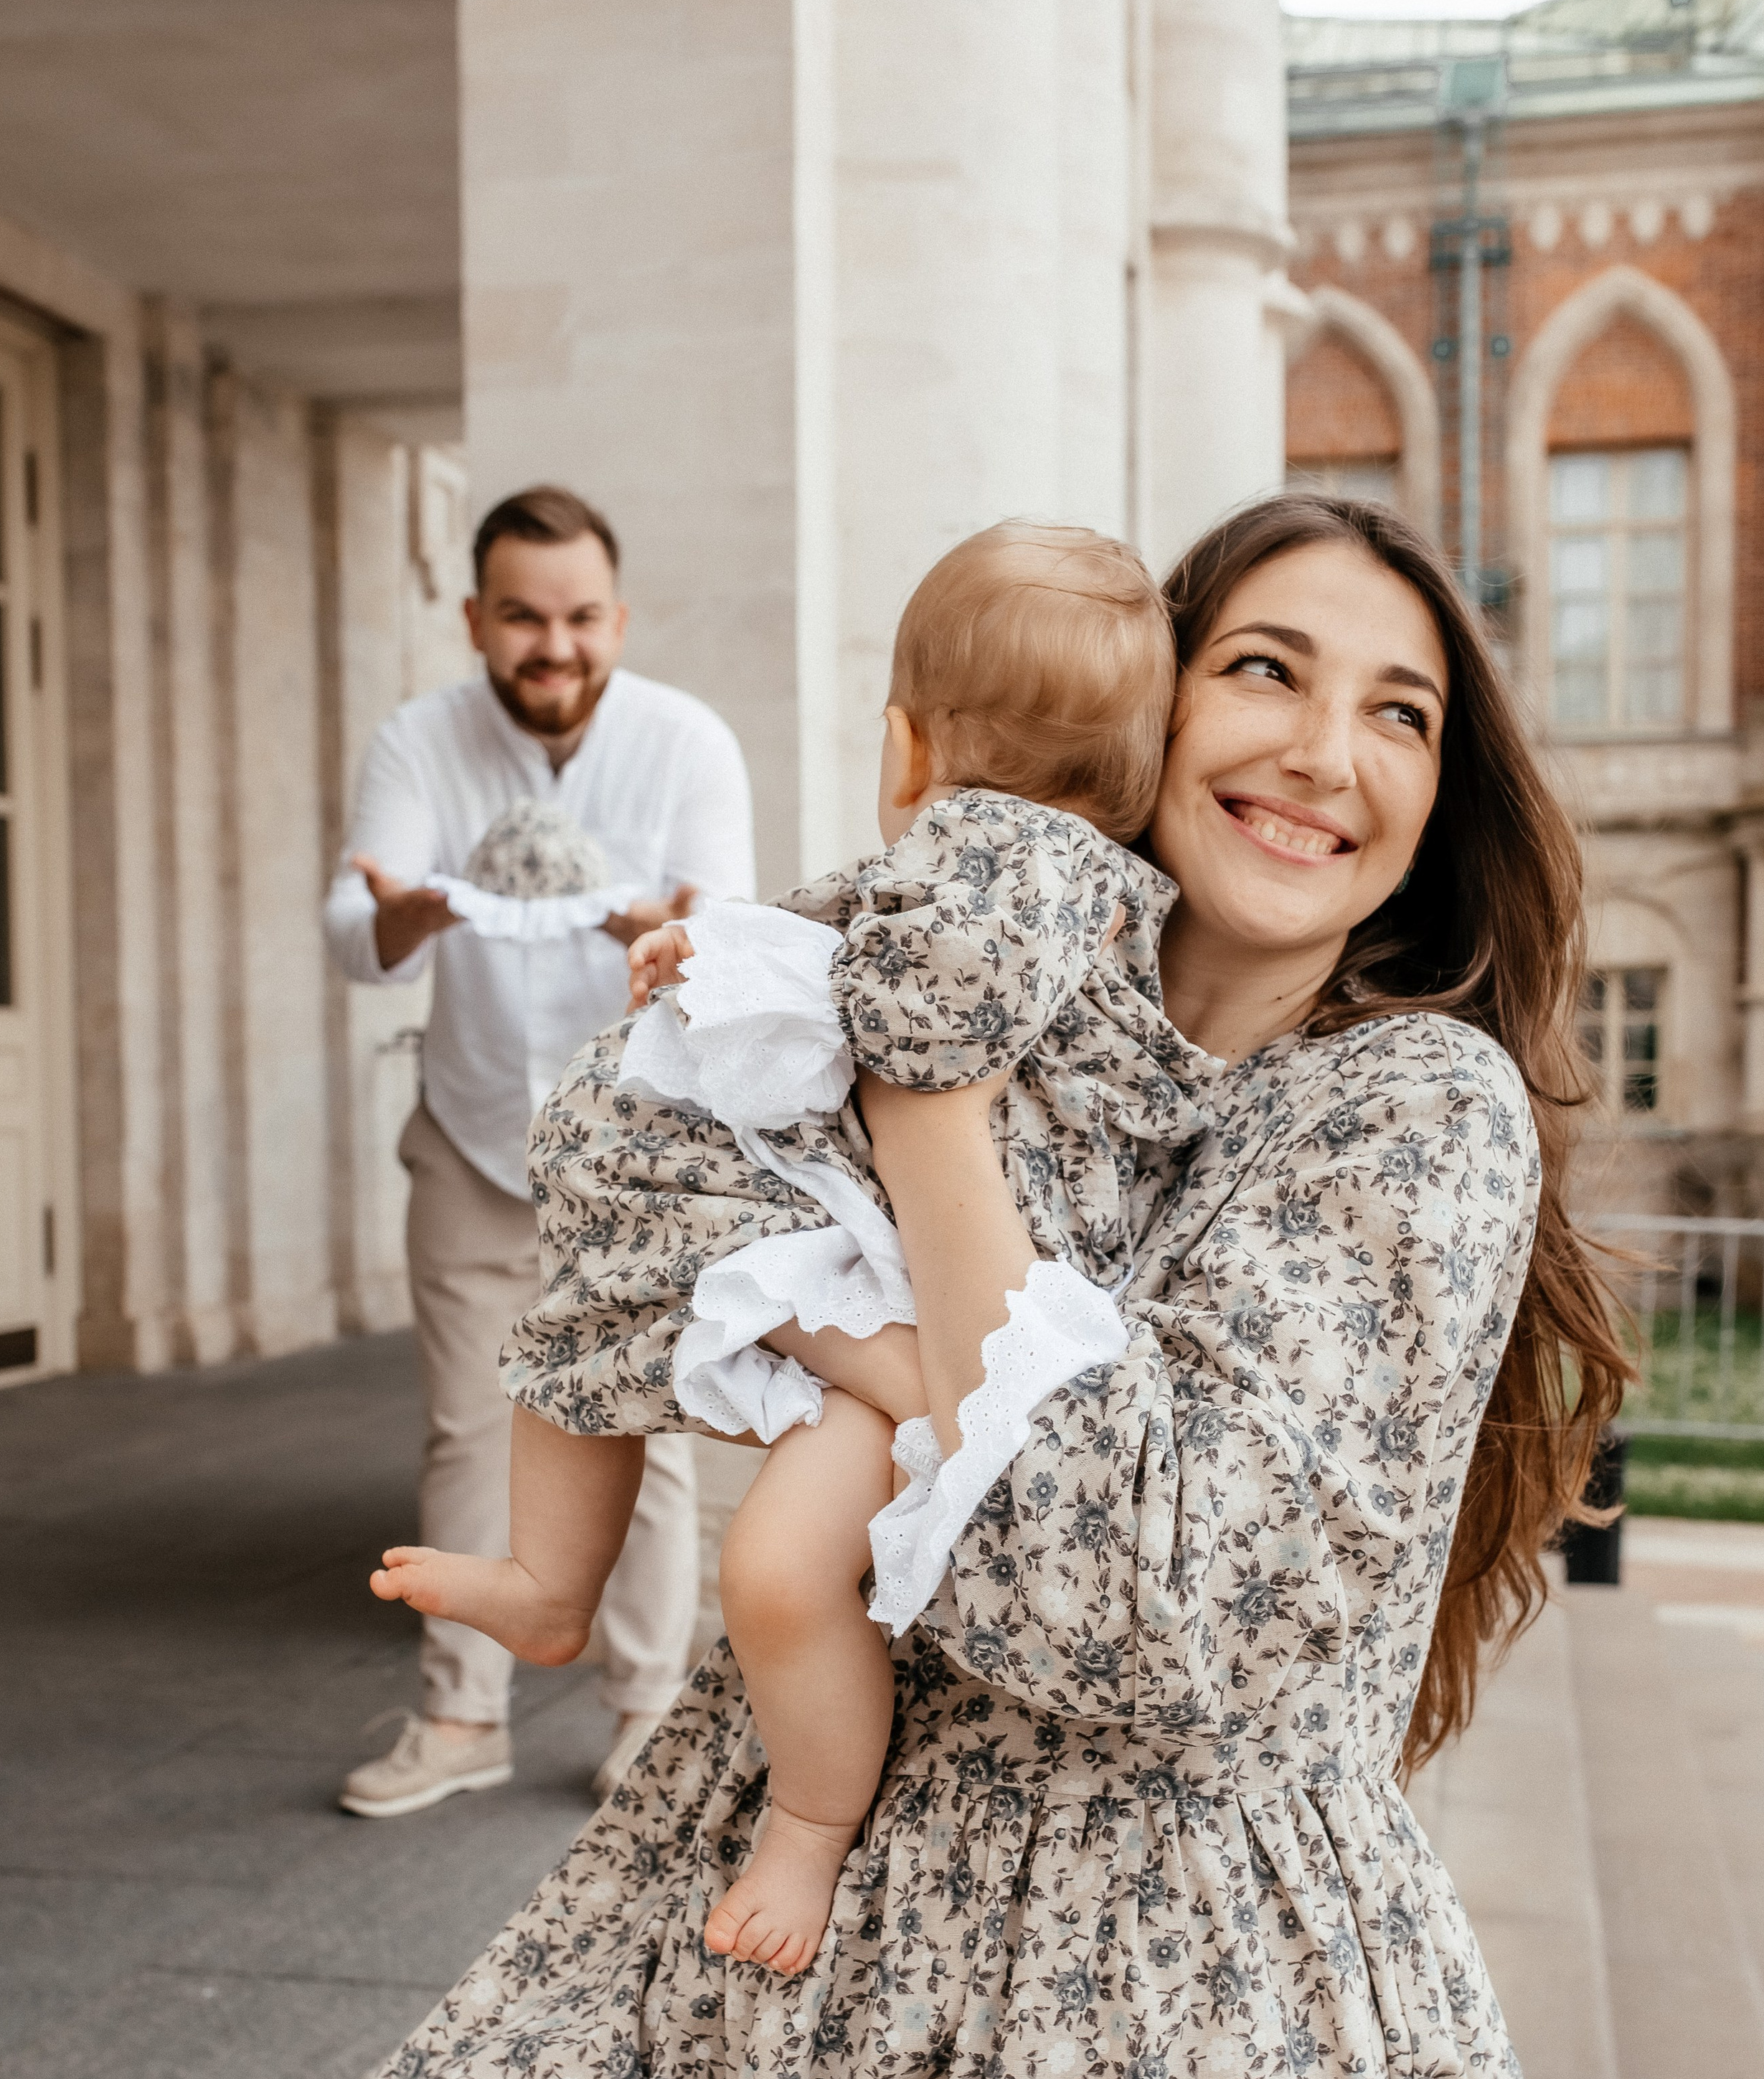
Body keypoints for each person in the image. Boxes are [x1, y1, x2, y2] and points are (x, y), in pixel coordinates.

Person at [0, 491, 1629, 2079]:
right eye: (1264, 669)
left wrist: (915, 1145)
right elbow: (638, 1176)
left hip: (1143, 2064)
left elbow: (1151, 1597)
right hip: (735, 1943)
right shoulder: (940, 945)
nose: (1321, 752)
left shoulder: (1413, 1112)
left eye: (1400, 712)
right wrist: (913, 1326)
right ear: (1145, 709)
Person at [369, 524, 1198, 1979]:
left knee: (638, 1341)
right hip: (903, 1256)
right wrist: (730, 947)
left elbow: (926, 1015)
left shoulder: (1002, 858)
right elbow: (874, 949)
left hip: (940, 1269)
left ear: (906, 748)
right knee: (746, 1537)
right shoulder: (1061, 877)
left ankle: (790, 1807)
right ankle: (560, 1595)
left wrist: (767, 977)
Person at [324, 484, 755, 1816]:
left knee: (648, 1424)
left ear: (618, 618)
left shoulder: (687, 742)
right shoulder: (418, 740)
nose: (552, 646)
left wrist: (644, 923)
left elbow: (733, 951)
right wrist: (416, 911)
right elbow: (356, 934)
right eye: (521, 617)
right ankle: (461, 1715)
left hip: (638, 1149)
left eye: (579, 618)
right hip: (469, 1136)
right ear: (475, 619)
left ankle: (647, 1715)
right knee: (466, 1429)